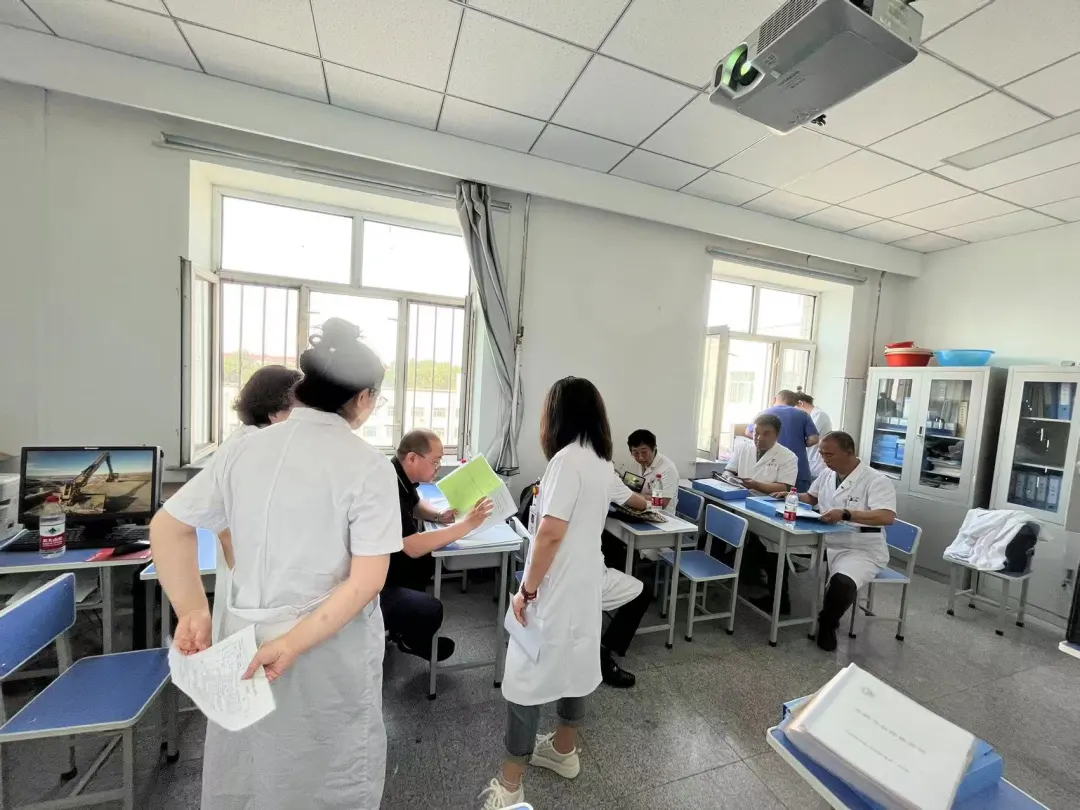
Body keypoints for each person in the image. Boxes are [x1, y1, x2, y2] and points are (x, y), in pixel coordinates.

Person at [150, 317, 401, 810]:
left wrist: (193, 610)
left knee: (251, 767)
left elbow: (168, 526)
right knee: (329, 774)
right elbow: (367, 581)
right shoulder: (368, 466)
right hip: (325, 649)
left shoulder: (244, 449)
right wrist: (291, 643)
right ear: (365, 397)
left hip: (244, 636)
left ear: (304, 386)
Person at [480, 377, 619, 809]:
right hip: (584, 581)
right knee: (577, 661)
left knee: (524, 676)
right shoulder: (601, 461)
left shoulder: (566, 460)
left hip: (556, 585)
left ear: (556, 415)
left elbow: (550, 533)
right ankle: (563, 750)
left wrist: (526, 591)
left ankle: (510, 787)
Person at [383, 428, 492, 662]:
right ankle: (411, 639)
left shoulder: (399, 475)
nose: (438, 467)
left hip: (386, 561)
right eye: (435, 461)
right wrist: (468, 524)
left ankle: (404, 629)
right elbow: (412, 546)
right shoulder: (388, 486)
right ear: (412, 458)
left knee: (428, 560)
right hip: (375, 580)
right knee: (431, 609)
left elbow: (415, 504)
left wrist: (439, 515)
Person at [210, 365, 302, 642]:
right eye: (298, 409)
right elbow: (226, 528)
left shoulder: (248, 441)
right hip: (253, 586)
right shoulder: (251, 448)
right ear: (274, 413)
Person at [786, 431, 896, 652]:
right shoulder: (828, 474)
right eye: (822, 454)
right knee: (778, 547)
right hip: (827, 539)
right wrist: (791, 496)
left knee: (843, 582)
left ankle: (827, 623)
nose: (825, 460)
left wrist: (846, 513)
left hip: (861, 547)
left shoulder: (876, 480)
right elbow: (812, 497)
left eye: (829, 455)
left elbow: (887, 516)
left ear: (849, 452)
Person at [755, 390, 819, 492]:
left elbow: (749, 432)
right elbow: (814, 439)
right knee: (796, 499)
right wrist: (798, 443)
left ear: (774, 400)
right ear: (795, 403)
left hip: (770, 470)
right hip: (799, 469)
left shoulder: (764, 413)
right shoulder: (802, 414)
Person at [725, 413, 799, 496]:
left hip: (766, 501)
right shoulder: (742, 447)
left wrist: (756, 485)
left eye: (766, 434)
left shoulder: (789, 457)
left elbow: (784, 487)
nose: (759, 438)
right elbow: (729, 471)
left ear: (777, 435)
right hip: (736, 496)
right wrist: (729, 478)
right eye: (756, 432)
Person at [627, 429, 680, 515]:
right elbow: (631, 485)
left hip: (660, 515)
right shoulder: (635, 463)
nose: (640, 457)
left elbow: (662, 503)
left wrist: (632, 495)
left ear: (654, 448)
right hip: (637, 509)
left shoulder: (668, 469)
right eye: (635, 453)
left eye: (644, 452)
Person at [795, 392, 833, 479]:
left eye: (794, 408)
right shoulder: (811, 415)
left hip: (816, 465)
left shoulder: (819, 414)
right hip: (810, 462)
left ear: (800, 403)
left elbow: (808, 436)